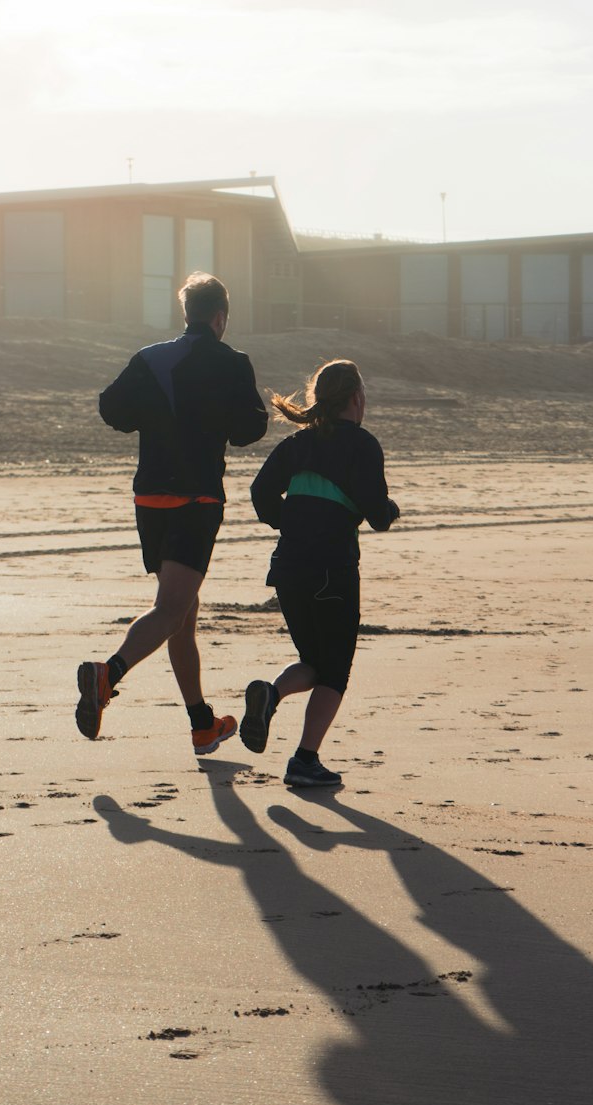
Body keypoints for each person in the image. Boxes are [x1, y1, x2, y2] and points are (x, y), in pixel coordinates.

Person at [75, 271, 268, 753]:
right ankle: (107, 674)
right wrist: (211, 422)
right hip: (196, 498)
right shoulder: (232, 362)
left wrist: (158, 418)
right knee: (171, 609)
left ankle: (202, 722)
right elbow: (251, 428)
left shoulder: (151, 358)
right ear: (221, 317)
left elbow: (111, 410)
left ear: (187, 313)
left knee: (184, 611)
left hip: (149, 497)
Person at [241, 359, 399, 789]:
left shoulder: (297, 444)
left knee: (315, 661)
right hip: (333, 570)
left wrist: (289, 521)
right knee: (335, 672)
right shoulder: (362, 445)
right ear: (356, 398)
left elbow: (259, 493)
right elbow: (378, 515)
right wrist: (390, 510)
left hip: (289, 568)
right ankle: (305, 760)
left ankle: (269, 695)